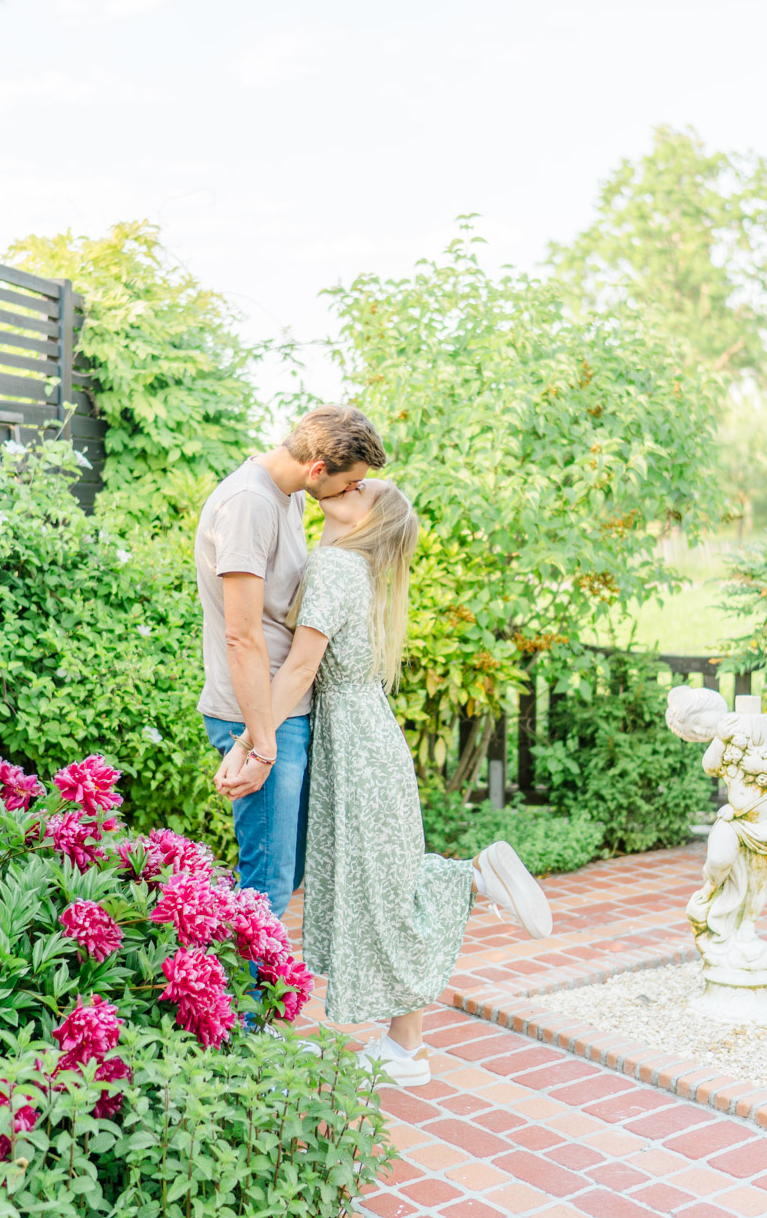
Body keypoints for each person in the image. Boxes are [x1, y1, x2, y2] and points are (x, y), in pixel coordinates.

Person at [221, 478, 553, 1087]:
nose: (348, 485)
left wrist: (250, 740)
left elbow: (299, 666)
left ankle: (471, 879)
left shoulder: (334, 564)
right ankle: (406, 1049)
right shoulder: (366, 572)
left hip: (355, 748)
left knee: (381, 888)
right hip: (375, 738)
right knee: (388, 885)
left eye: (360, 487)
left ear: (368, 517)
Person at [196, 405, 386, 921]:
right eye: (350, 485)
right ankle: (239, 1003)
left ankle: (237, 998)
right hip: (257, 714)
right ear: (318, 469)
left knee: (284, 875)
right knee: (266, 886)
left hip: (279, 714)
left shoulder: (286, 497)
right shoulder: (250, 504)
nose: (352, 495)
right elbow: (242, 635)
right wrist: (259, 745)